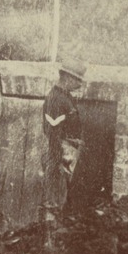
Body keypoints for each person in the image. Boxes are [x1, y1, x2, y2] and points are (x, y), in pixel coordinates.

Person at [43, 57, 87, 222]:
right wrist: (60, 157)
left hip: (67, 151)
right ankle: (50, 236)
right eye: (78, 80)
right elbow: (52, 131)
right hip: (60, 153)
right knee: (55, 197)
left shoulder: (65, 97)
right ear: (68, 78)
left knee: (62, 196)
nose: (80, 84)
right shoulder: (56, 99)